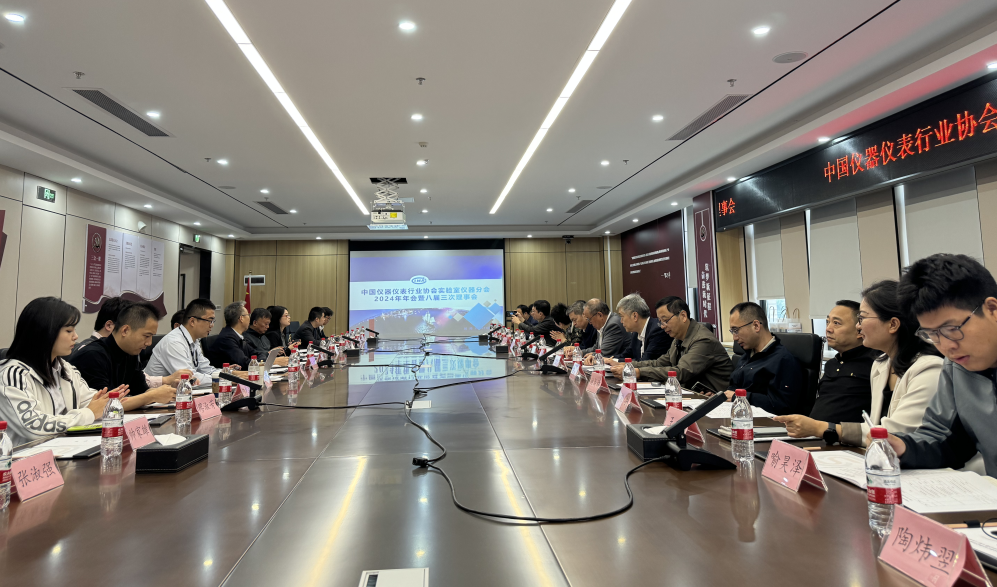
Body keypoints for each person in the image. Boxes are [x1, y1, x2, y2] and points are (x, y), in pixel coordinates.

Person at [876, 254, 997, 476]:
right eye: (933, 334)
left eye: (952, 329)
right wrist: (905, 448)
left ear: (992, 309)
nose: (947, 346)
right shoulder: (957, 367)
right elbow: (946, 438)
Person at [0, 297, 129, 446]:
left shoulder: (65, 369)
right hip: (24, 456)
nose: (76, 336)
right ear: (45, 332)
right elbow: (33, 426)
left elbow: (89, 400)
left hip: (64, 448)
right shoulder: (12, 375)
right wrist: (89, 413)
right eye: (69, 331)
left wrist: (105, 403)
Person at [774, 299, 904, 443]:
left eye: (836, 323)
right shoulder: (832, 364)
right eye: (827, 322)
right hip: (812, 438)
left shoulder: (876, 364)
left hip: (845, 441)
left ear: (859, 330)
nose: (828, 329)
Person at [69, 301, 184, 407]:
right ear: (125, 330)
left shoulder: (130, 353)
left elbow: (141, 391)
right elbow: (105, 405)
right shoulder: (92, 356)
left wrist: (169, 391)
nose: (149, 343)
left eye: (151, 337)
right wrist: (151, 396)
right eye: (146, 336)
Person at [611, 296, 732, 392]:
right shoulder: (678, 338)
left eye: (665, 320)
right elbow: (660, 362)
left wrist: (638, 372)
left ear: (683, 316)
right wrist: (628, 366)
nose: (662, 326)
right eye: (660, 322)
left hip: (716, 400)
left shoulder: (703, 340)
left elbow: (680, 372)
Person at [723, 301, 805, 416]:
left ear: (756, 326)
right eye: (732, 331)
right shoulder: (747, 356)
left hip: (761, 421)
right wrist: (721, 397)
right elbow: (734, 387)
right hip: (736, 414)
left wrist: (739, 397)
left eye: (736, 330)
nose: (734, 337)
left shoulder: (783, 361)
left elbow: (781, 406)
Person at [145, 298, 219, 385]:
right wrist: (222, 379)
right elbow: (189, 378)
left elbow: (206, 369)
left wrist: (228, 375)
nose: (212, 325)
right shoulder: (174, 342)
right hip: (156, 392)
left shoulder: (194, 341)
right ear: (192, 321)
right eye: (209, 321)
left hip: (178, 391)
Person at [612, 293, 671, 361]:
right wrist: (609, 360)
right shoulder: (636, 333)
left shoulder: (657, 331)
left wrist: (615, 361)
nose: (621, 321)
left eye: (622, 316)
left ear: (635, 316)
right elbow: (626, 355)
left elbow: (646, 361)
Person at [205, 302, 252, 368]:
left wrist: (261, 361)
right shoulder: (226, 338)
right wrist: (259, 364)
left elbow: (255, 353)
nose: (249, 317)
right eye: (248, 315)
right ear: (241, 318)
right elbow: (242, 362)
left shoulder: (237, 335)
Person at [582, 298, 628, 363]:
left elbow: (604, 354)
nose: (590, 323)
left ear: (600, 315)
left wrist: (592, 355)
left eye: (589, 319)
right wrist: (580, 352)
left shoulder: (613, 325)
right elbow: (596, 348)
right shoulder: (602, 324)